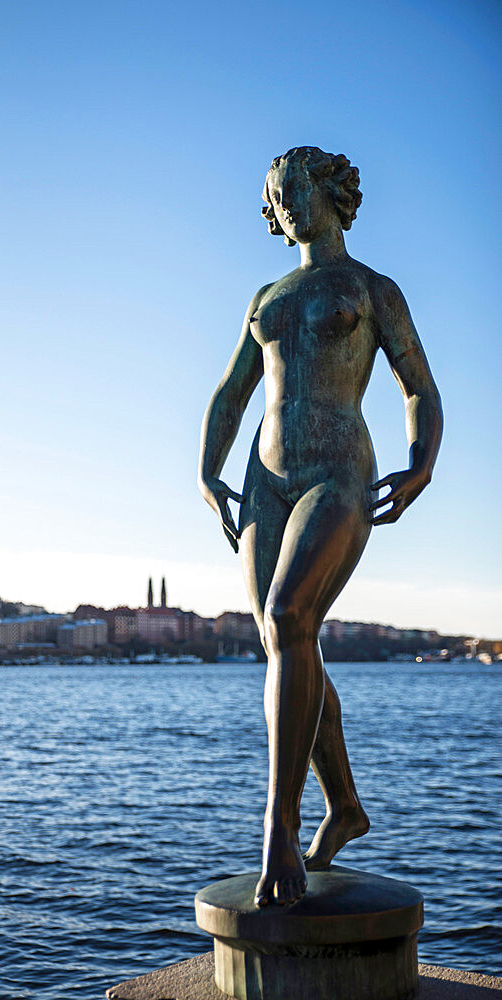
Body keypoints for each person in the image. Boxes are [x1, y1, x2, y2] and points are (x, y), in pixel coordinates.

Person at [197, 147, 443, 908]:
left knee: (288, 616)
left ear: (331, 191)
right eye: (276, 196)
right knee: (285, 643)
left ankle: (280, 827)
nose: (288, 205)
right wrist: (208, 469)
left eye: (296, 188)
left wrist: (421, 461)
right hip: (264, 483)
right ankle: (345, 806)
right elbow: (231, 390)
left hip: (339, 473)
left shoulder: (370, 289)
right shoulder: (265, 295)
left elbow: (418, 386)